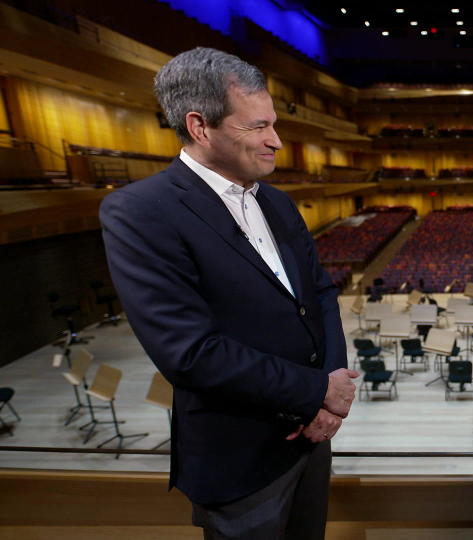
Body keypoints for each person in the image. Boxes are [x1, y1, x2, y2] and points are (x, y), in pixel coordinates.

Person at [100, 47, 358, 539]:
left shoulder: (279, 203)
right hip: (240, 456)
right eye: (257, 127)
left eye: (274, 124)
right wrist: (318, 391)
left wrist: (330, 399)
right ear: (200, 126)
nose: (276, 141)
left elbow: (320, 295)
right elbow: (190, 353)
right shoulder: (141, 212)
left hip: (312, 438)